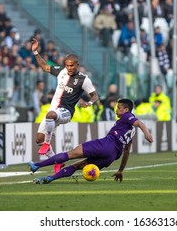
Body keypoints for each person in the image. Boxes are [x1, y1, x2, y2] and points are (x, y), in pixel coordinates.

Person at [28, 98, 154, 184]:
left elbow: (139, 123)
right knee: (77, 166)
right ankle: (49, 178)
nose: (117, 110)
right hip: (112, 157)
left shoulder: (128, 116)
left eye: (119, 108)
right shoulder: (131, 131)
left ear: (126, 110)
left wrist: (147, 133)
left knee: (70, 154)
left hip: (105, 144)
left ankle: (36, 165)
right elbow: (126, 152)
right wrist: (121, 170)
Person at [31, 38, 99, 172]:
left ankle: (47, 143)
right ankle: (58, 161)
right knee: (38, 139)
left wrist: (89, 102)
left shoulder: (83, 79)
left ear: (77, 65)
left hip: (66, 112)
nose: (69, 68)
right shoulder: (61, 72)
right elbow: (45, 67)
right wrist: (35, 52)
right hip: (54, 110)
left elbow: (95, 95)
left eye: (72, 66)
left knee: (50, 116)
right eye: (67, 65)